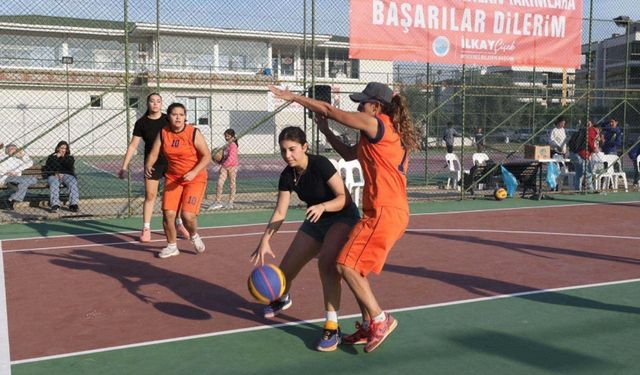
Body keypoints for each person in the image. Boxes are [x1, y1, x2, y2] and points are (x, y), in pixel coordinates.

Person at [269, 82, 420, 353]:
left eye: (363, 102)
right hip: (387, 211)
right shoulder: (382, 134)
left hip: (386, 211)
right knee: (353, 267)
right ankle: (366, 323)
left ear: (376, 105)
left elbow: (329, 109)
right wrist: (326, 131)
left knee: (345, 265)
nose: (359, 107)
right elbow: (350, 154)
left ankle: (380, 319)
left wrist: (293, 97)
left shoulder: (377, 123)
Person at [250, 126, 360, 352]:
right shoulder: (287, 175)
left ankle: (332, 326)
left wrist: (323, 206)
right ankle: (282, 298)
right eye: (283, 151)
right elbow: (280, 212)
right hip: (316, 219)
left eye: (292, 149)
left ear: (304, 147)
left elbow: (344, 199)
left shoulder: (320, 164)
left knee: (326, 264)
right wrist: (265, 240)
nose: (287, 155)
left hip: (342, 216)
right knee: (284, 273)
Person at [119, 93, 190, 242]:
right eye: (152, 101)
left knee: (175, 197)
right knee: (150, 196)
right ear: (148, 103)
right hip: (152, 164)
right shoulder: (141, 123)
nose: (155, 104)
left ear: (161, 104)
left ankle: (178, 223)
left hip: (172, 162)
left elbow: (182, 134)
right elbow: (133, 146)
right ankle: (146, 229)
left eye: (158, 101)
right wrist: (124, 166)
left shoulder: (167, 119)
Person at [145, 102, 211, 258]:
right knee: (168, 213)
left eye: (181, 114)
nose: (178, 117)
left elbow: (207, 156)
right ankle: (172, 246)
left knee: (187, 216)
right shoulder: (163, 133)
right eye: (175, 114)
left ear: (185, 117)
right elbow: (154, 153)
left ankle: (194, 235)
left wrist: (194, 172)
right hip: (173, 178)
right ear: (168, 116)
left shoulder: (193, 133)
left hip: (195, 178)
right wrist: (148, 164)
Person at [42, 141, 80, 213]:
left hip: (67, 175)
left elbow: (68, 166)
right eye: (61, 148)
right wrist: (56, 158)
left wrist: (63, 159)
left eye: (65, 148)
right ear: (58, 148)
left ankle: (73, 204)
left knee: (72, 183)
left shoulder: (70, 157)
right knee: (54, 183)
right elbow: (50, 167)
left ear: (67, 150)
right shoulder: (51, 157)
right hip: (54, 175)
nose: (63, 150)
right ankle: (55, 204)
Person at [208, 129, 239, 210]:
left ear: (232, 137)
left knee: (232, 185)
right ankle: (217, 201)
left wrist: (223, 166)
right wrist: (218, 160)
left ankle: (230, 202)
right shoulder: (226, 146)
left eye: (228, 136)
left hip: (232, 167)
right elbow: (223, 158)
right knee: (219, 183)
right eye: (225, 136)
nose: (226, 137)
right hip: (224, 167)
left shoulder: (233, 146)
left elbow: (231, 158)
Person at [0, 143, 37, 210]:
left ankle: (10, 200)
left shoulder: (18, 159)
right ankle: (11, 201)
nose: (14, 150)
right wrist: (8, 172)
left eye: (15, 148)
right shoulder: (3, 157)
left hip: (18, 179)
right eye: (11, 149)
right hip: (6, 178)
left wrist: (23, 156)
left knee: (32, 179)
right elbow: (1, 169)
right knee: (26, 181)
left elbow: (30, 163)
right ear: (7, 150)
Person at [568, 120, 599, 191]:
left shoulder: (581, 131)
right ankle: (590, 188)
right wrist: (594, 149)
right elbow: (589, 142)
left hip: (573, 153)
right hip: (581, 154)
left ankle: (577, 189)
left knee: (579, 173)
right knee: (588, 172)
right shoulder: (592, 130)